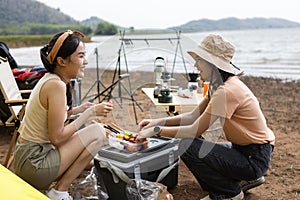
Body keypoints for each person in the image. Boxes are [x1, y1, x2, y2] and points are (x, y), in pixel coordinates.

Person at [138, 34, 275, 200]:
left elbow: (193, 130)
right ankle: (245, 179)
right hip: (244, 150)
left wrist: (156, 131)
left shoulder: (227, 91)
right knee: (196, 145)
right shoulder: (218, 87)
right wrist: (156, 122)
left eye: (199, 60)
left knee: (187, 143)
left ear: (212, 64)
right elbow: (192, 116)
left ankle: (229, 192)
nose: (195, 65)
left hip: (254, 157)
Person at [13, 30, 113, 200]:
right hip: (35, 164)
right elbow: (57, 138)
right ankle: (59, 191)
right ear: (61, 61)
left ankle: (61, 187)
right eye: (81, 56)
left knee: (91, 140)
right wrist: (88, 113)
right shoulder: (56, 86)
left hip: (26, 158)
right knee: (98, 132)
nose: (86, 61)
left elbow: (50, 118)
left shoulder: (50, 79)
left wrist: (77, 111)